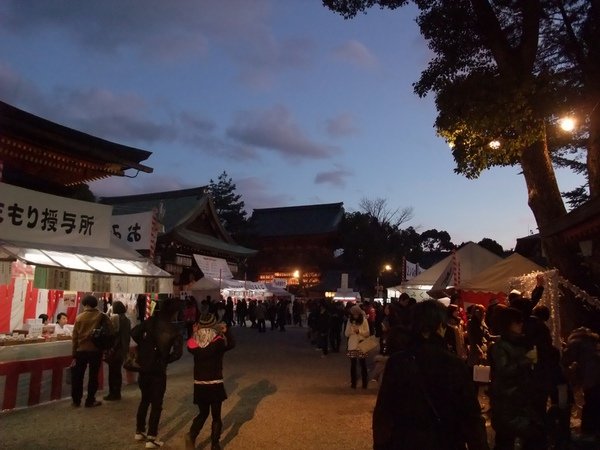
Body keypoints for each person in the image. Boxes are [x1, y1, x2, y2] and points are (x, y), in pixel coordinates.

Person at [373, 299, 489, 450]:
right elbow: (470, 415)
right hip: (447, 441)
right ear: (440, 326)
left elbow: (384, 410)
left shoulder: (398, 361)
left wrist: (381, 445)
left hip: (405, 441)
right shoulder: (454, 364)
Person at [488, 306, 546, 450]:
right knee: (506, 439)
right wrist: (526, 360)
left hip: (521, 399)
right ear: (508, 324)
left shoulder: (521, 343)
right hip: (507, 401)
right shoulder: (500, 347)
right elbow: (504, 370)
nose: (521, 325)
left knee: (525, 436)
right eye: (517, 322)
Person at [131, 298, 183, 448]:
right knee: (156, 403)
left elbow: (134, 333)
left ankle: (139, 431)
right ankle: (151, 437)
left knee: (144, 400)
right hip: (158, 370)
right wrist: (165, 360)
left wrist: (144, 348)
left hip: (144, 367)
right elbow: (178, 353)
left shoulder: (150, 322)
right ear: (174, 312)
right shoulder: (173, 330)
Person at [185, 313, 236, 450]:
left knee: (203, 413)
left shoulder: (193, 343)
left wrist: (194, 333)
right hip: (215, 382)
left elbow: (189, 345)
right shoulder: (218, 341)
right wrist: (227, 332)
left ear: (200, 325)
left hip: (200, 382)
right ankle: (215, 444)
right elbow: (231, 344)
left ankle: (191, 435)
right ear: (214, 324)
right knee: (216, 416)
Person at [71, 295, 113, 408]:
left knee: (78, 376)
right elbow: (110, 330)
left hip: (81, 350)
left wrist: (74, 353)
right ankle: (90, 400)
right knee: (93, 376)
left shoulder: (79, 318)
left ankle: (76, 400)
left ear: (85, 304)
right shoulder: (102, 316)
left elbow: (74, 337)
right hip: (95, 350)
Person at [104, 300, 131, 401]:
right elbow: (126, 337)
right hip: (122, 349)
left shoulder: (116, 318)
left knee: (113, 372)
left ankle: (113, 393)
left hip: (115, 349)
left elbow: (112, 333)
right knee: (117, 372)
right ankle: (117, 392)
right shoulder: (127, 320)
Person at [345, 305, 370, 389]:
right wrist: (352, 330)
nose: (355, 315)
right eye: (353, 314)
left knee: (363, 364)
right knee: (353, 365)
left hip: (361, 344)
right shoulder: (350, 321)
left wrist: (359, 331)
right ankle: (353, 382)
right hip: (352, 345)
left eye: (356, 313)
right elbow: (346, 333)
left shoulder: (364, 320)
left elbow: (367, 333)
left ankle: (364, 383)